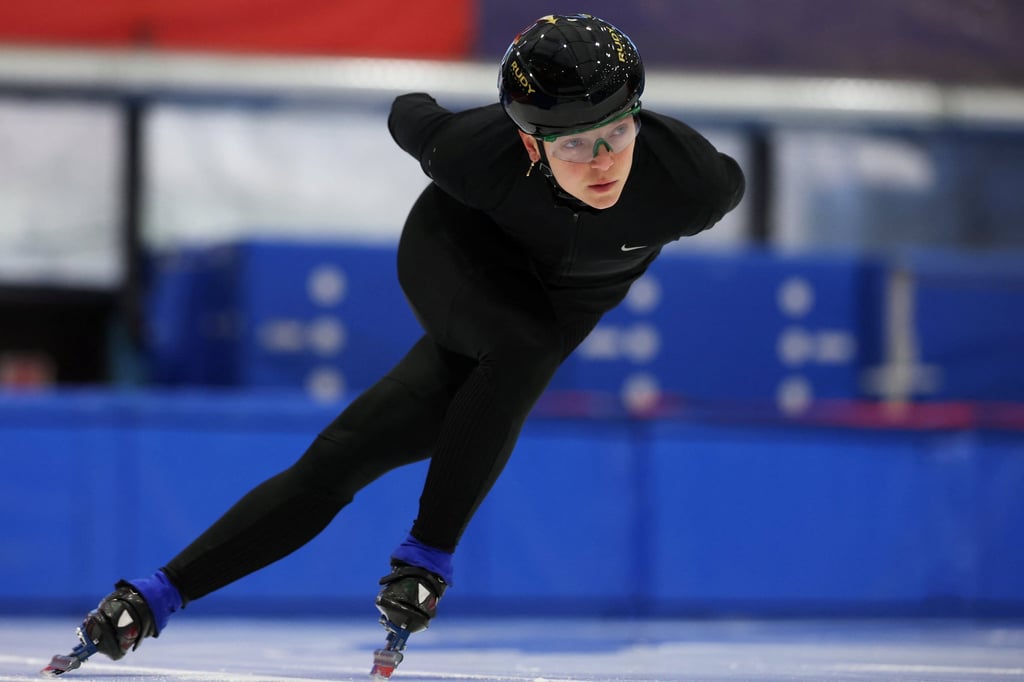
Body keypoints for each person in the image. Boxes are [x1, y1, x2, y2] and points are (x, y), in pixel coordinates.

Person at [43, 13, 744, 679]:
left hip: (545, 315)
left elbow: (689, 172)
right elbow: (409, 111)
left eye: (617, 133)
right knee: (524, 346)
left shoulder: (694, 184)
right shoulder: (475, 153)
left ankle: (151, 598)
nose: (603, 162)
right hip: (456, 261)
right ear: (531, 144)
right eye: (574, 145)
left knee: (345, 458)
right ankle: (426, 560)